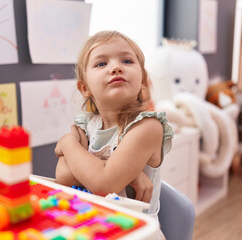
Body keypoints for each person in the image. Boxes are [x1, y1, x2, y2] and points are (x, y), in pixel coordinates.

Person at [55, 31, 174, 236]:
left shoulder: (147, 127)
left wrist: (67, 143)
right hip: (96, 225)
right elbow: (64, 176)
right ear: (85, 88)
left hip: (136, 233)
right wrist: (123, 171)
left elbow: (104, 184)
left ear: (143, 81)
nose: (116, 67)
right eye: (101, 64)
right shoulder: (87, 124)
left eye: (127, 60)